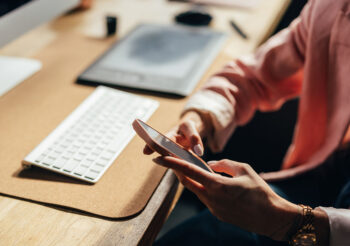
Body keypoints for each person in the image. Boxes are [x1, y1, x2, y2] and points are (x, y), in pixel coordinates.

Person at [144, 0, 350, 245]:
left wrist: (284, 221)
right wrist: (199, 118)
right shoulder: (332, 7)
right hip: (319, 181)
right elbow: (253, 76)